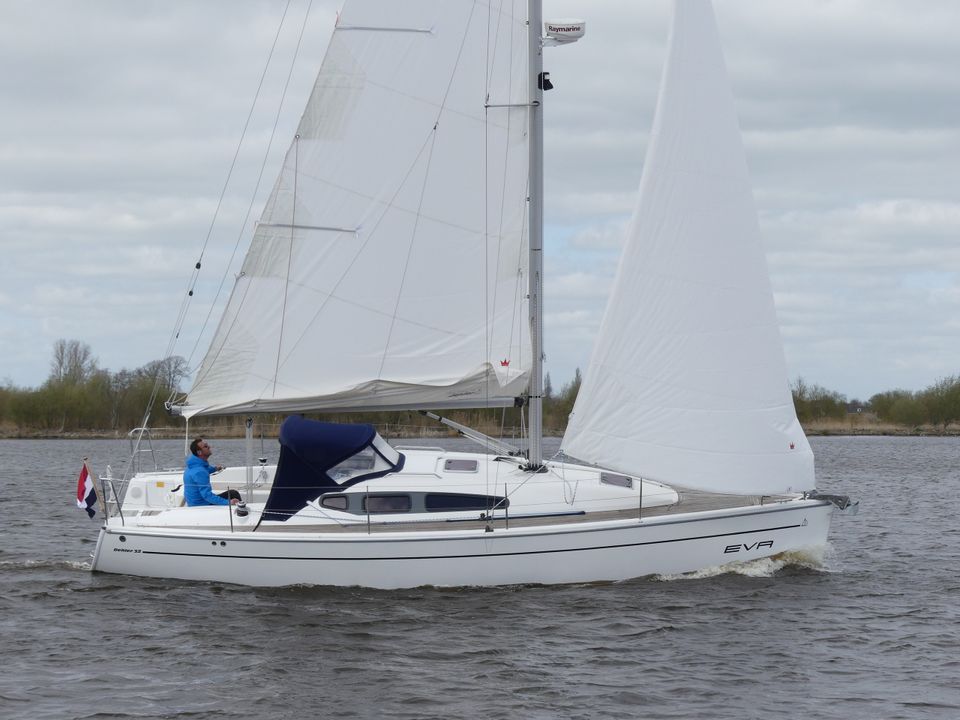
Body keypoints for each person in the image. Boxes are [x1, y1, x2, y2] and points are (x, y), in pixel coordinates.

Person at [183, 437, 241, 506]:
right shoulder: (200, 472)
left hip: (194, 503)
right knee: (233, 494)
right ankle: (242, 510)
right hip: (202, 505)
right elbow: (207, 495)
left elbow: (205, 469)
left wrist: (215, 469)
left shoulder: (193, 465)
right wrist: (228, 502)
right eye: (206, 446)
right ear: (199, 452)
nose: (209, 447)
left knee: (231, 494)